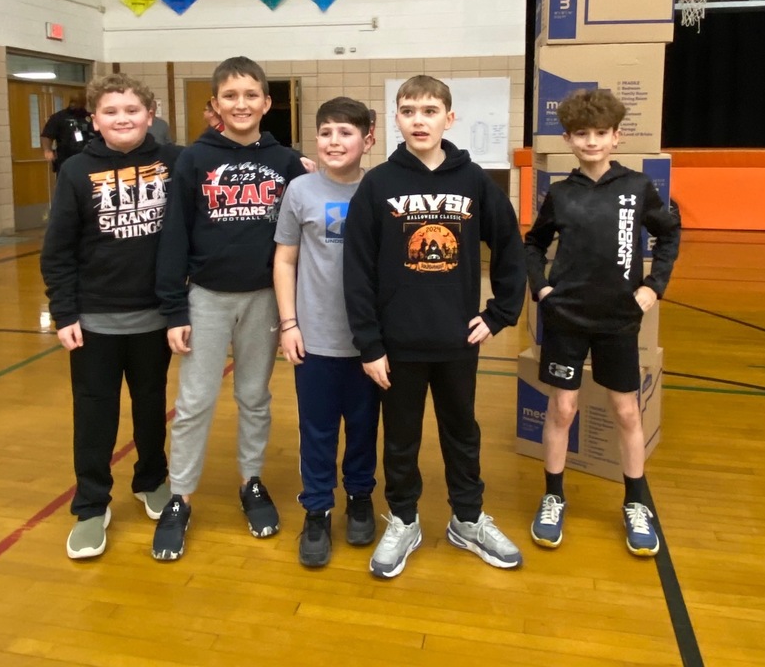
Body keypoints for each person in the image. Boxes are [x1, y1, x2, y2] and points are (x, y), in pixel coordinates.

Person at [343, 75, 527, 578]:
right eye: (408, 111)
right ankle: (403, 519)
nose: (419, 120)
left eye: (429, 110)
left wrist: (499, 314)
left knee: (461, 433)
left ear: (450, 117)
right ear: (395, 120)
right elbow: (356, 270)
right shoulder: (378, 184)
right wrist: (369, 343)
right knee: (399, 438)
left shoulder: (474, 183)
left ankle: (467, 518)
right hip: (396, 345)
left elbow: (511, 248)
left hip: (456, 340)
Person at [151, 56, 308, 561]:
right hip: (205, 299)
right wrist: (174, 308)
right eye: (230, 96)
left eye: (250, 95)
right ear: (214, 104)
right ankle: (180, 497)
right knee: (194, 402)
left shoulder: (286, 161)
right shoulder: (194, 159)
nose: (241, 104)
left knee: (254, 397)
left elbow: (299, 242)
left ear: (266, 102)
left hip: (264, 300)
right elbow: (173, 235)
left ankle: (252, 482)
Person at [524, 89, 680, 557]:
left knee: (628, 411)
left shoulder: (637, 188)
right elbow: (532, 244)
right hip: (567, 318)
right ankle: (553, 495)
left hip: (617, 320)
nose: (591, 142)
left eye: (600, 133)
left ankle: (635, 502)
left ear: (617, 136)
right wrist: (543, 288)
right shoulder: (561, 193)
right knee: (562, 409)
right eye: (581, 134)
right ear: (569, 139)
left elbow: (670, 233)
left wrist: (654, 286)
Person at [40, 73, 181, 559]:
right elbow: (56, 249)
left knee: (150, 406)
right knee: (95, 414)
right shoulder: (77, 171)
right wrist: (64, 313)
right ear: (95, 119)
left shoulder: (173, 161)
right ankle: (91, 504)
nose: (122, 119)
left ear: (150, 113)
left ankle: (150, 480)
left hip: (154, 318)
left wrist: (299, 164)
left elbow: (226, 163)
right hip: (95, 320)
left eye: (132, 110)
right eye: (111, 111)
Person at [273, 97, 379, 568]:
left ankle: (359, 497)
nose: (334, 142)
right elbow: (285, 259)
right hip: (313, 337)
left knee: (362, 427)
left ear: (368, 140)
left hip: (369, 342)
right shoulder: (300, 190)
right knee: (316, 430)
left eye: (346, 132)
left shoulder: (379, 189)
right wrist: (289, 323)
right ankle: (316, 509)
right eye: (326, 132)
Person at [40, 93, 96, 172]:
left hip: (89, 158)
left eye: (77, 102)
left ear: (84, 103)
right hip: (65, 158)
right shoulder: (59, 117)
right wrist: (47, 150)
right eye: (72, 102)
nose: (73, 104)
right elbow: (47, 135)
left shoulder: (90, 117)